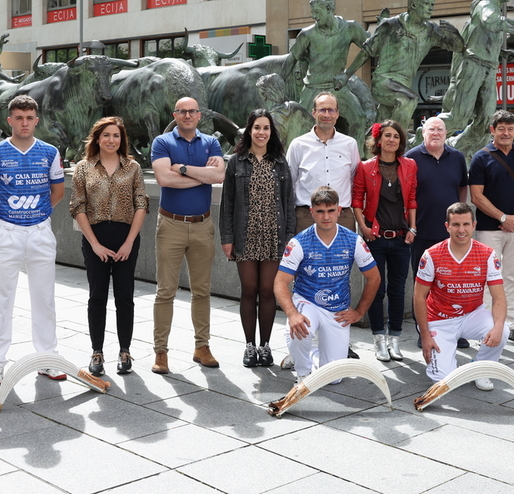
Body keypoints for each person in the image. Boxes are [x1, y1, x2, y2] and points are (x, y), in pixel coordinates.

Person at [0, 95, 66, 386]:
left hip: (40, 232)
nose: (24, 123)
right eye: (19, 118)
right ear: (9, 120)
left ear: (36, 121)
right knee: (0, 300)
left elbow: (58, 191)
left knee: (45, 299)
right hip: (7, 233)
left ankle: (47, 358)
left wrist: (38, 214)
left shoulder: (50, 152)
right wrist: (2, 218)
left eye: (29, 118)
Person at [150, 97, 225, 374]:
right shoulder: (162, 142)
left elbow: (219, 176)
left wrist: (182, 168)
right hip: (171, 225)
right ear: (175, 114)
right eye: (182, 111)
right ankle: (161, 352)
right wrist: (204, 175)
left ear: (199, 115)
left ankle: (202, 346)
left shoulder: (211, 143)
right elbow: (164, 180)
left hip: (203, 225)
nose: (187, 115)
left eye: (192, 111)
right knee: (165, 291)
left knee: (202, 290)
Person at [275, 187, 380, 383]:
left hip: (338, 309)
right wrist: (292, 314)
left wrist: (358, 312)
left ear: (339, 211)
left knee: (334, 379)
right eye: (320, 211)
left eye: (331, 210)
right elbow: (280, 281)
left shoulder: (353, 240)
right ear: (311, 211)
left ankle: (312, 354)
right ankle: (303, 374)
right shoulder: (299, 242)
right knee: (299, 329)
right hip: (308, 301)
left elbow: (374, 278)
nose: (326, 216)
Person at [71, 117, 149, 377]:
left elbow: (141, 204)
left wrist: (129, 242)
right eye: (106, 135)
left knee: (125, 297)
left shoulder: (133, 168)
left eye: (116, 135)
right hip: (96, 237)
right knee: (97, 297)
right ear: (97, 138)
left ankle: (125, 351)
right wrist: (95, 244)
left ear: (121, 139)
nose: (111, 140)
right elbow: (77, 206)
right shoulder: (84, 168)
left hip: (126, 236)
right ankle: (97, 352)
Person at [220, 109, 296, 368]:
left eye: (266, 128)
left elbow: (288, 201)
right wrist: (227, 237)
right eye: (257, 128)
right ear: (249, 130)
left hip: (274, 236)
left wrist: (289, 238)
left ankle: (265, 346)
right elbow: (227, 203)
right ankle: (249, 346)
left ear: (271, 132)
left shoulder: (280, 162)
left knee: (268, 291)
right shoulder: (236, 162)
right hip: (246, 234)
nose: (261, 133)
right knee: (249, 290)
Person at [414, 202, 508, 391]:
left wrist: (497, 327)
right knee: (442, 380)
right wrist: (425, 335)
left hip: (471, 315)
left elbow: (498, 297)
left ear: (474, 225)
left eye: (466, 224)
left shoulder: (487, 254)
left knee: (503, 330)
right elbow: (418, 297)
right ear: (447, 227)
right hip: (439, 319)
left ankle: (480, 368)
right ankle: (448, 363)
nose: (461, 230)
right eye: (456, 224)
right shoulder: (431, 255)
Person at [340, 0, 464, 127]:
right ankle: (400, 143)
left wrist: (456, 35)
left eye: (432, 5)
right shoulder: (391, 25)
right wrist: (346, 76)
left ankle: (369, 146)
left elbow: (457, 48)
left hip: (403, 85)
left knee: (381, 126)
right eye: (426, 4)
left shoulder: (431, 30)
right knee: (409, 100)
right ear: (413, 5)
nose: (431, 8)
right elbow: (366, 52)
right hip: (383, 81)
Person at [439, 0, 514, 157]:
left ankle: (453, 148)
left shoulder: (496, 10)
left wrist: (502, 52)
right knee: (459, 118)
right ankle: (420, 140)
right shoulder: (483, 4)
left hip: (489, 68)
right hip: (473, 65)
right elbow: (489, 20)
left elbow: (485, 36)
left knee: (485, 123)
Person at [470, 110, 514, 347]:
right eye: (501, 128)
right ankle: (486, 327)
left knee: (512, 277)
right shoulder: (481, 157)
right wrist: (502, 217)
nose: (506, 133)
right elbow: (476, 196)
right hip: (490, 228)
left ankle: (512, 326)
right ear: (493, 130)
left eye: (510, 128)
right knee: (488, 278)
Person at [352, 120, 417, 362]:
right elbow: (357, 200)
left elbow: (412, 199)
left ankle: (395, 339)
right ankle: (379, 339)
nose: (391, 140)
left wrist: (413, 228)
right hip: (375, 238)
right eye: (387, 135)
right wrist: (365, 228)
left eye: (396, 137)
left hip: (401, 239)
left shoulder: (409, 165)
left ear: (401, 142)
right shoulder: (366, 167)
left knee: (398, 291)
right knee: (376, 290)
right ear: (378, 140)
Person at [404, 117, 469, 348]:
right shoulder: (411, 157)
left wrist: (461, 218)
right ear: (423, 132)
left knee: (452, 283)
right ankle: (425, 332)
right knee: (423, 283)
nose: (436, 133)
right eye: (431, 129)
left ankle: (454, 329)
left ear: (446, 133)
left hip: (451, 233)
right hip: (421, 231)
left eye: (440, 129)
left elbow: (463, 186)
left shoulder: (457, 157)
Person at [289, 0, 369, 140]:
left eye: (317, 12)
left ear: (328, 9)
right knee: (300, 125)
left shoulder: (350, 28)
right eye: (312, 12)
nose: (314, 16)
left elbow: (369, 49)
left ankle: (356, 160)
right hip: (312, 88)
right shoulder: (307, 34)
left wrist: (347, 75)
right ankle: (293, 158)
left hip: (337, 88)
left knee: (359, 119)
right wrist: (280, 81)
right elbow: (291, 59)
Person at [287, 92, 360, 233]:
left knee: (344, 255)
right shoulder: (298, 145)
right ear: (313, 113)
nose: (327, 114)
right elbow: (289, 181)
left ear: (337, 114)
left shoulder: (350, 144)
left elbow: (354, 179)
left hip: (342, 216)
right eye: (322, 110)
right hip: (307, 217)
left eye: (331, 110)